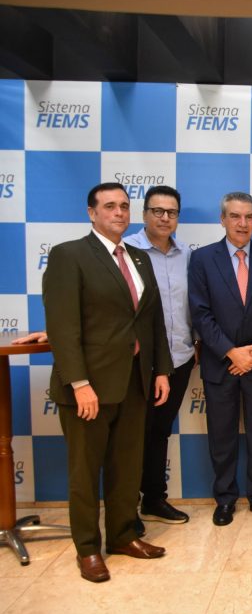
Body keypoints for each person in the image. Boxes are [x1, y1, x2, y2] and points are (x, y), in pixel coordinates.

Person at [43, 182, 173, 583]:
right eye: (110, 206)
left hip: (135, 382)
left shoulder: (138, 257)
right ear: (91, 212)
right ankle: (87, 549)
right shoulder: (70, 255)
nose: (119, 212)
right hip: (89, 388)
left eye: (124, 206)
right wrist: (79, 383)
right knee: (85, 472)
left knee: (126, 467)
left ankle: (121, 535)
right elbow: (63, 327)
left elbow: (151, 321)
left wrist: (163, 369)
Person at [189, 192, 252, 526]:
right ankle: (225, 499)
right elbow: (200, 314)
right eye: (235, 216)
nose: (243, 223)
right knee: (222, 436)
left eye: (249, 217)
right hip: (221, 364)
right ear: (223, 219)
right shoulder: (202, 259)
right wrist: (231, 351)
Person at [123, 185, 195, 530]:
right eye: (158, 211)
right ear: (144, 214)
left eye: (172, 212)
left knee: (159, 432)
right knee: (132, 433)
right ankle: (126, 509)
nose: (165, 218)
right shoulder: (126, 252)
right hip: (137, 362)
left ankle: (153, 498)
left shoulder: (186, 255)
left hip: (179, 358)